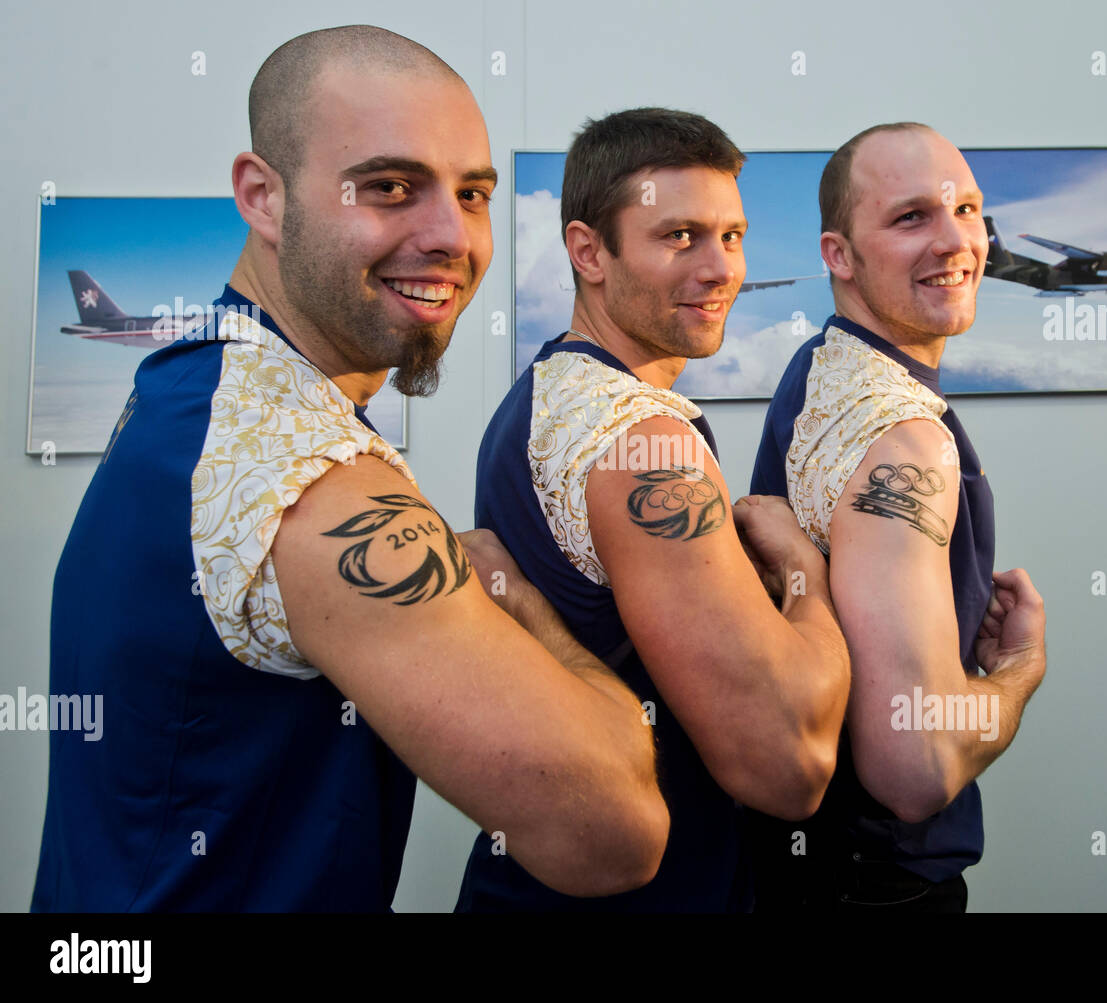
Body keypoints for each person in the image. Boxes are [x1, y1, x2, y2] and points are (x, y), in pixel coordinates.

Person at [31, 25, 668, 912]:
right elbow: (615, 832)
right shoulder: (309, 477)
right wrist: (521, 603)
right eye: (391, 186)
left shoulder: (194, 384)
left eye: (474, 193)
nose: (452, 235)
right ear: (263, 196)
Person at [456, 107, 852, 912]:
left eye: (732, 236)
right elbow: (786, 764)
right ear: (587, 251)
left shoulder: (541, 395)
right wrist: (806, 571)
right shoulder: (643, 439)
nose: (721, 269)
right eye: (680, 237)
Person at [748, 122, 1047, 912]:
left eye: (967, 210)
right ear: (838, 255)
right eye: (911, 217)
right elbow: (913, 764)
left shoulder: (822, 365)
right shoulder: (905, 439)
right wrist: (1020, 671)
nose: (957, 240)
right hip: (876, 887)